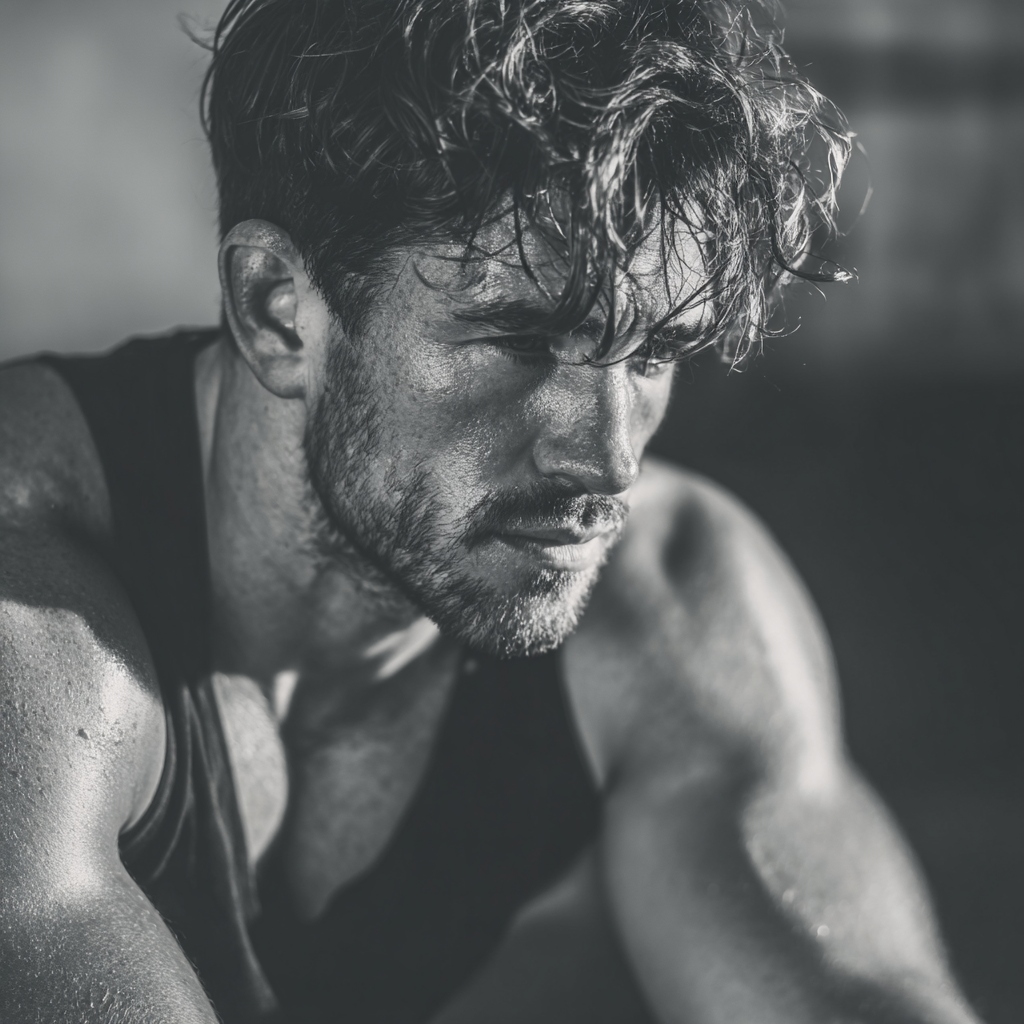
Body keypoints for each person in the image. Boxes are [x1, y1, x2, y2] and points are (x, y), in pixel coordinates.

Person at [0, 1, 981, 1022]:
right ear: (277, 311)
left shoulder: (672, 604)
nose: (608, 457)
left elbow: (847, 995)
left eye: (651, 353)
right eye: (517, 340)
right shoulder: (26, 610)